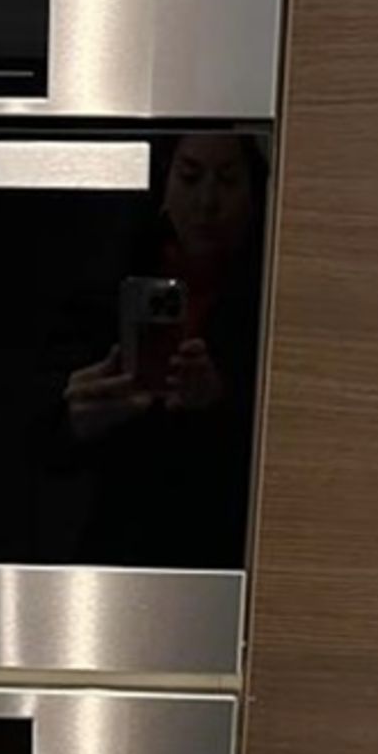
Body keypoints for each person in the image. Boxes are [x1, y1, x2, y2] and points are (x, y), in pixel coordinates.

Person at [58, 133, 268, 567]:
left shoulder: (273, 294)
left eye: (227, 180)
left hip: (230, 552)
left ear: (254, 194)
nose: (207, 201)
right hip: (117, 547)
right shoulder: (105, 284)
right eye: (190, 177)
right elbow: (36, 443)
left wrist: (220, 405)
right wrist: (75, 418)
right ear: (164, 184)